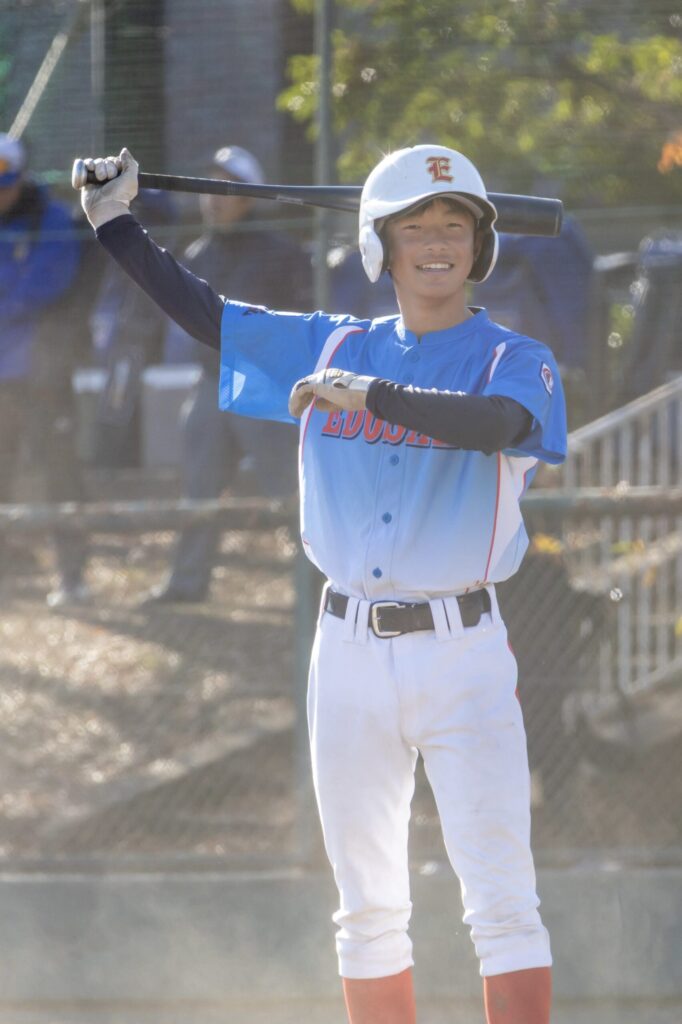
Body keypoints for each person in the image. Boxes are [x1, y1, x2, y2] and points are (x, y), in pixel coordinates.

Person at [80, 143, 567, 1024]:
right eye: (414, 227)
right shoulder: (331, 344)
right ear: (379, 245)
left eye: (455, 226)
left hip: (463, 651)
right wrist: (116, 225)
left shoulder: (513, 356)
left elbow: (498, 424)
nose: (437, 243)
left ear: (480, 246)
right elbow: (209, 315)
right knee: (367, 908)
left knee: (503, 902)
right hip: (345, 650)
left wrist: (371, 397)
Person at [144, 145, 311, 603]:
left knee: (289, 490)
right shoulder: (197, 253)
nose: (212, 200)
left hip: (268, 386)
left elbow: (302, 321)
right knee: (198, 489)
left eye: (225, 189)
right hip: (211, 383)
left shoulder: (283, 253)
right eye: (208, 189)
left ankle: (317, 584)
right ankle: (187, 582)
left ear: (249, 197)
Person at [0, 133, 89, 608]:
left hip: (43, 376)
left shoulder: (52, 220)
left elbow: (43, 288)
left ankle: (72, 575)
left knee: (60, 474)